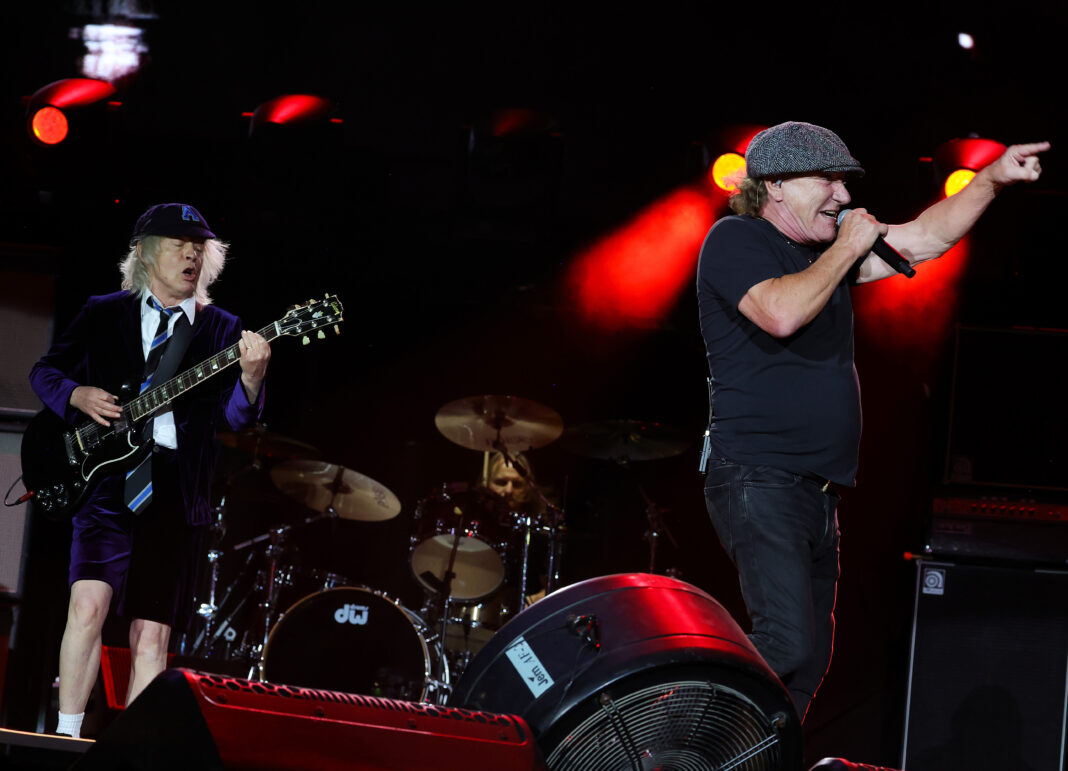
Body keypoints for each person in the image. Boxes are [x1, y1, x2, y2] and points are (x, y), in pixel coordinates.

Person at [697, 122, 1047, 720]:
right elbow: (779, 313)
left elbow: (924, 239)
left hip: (818, 489)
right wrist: (846, 248)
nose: (841, 194)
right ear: (775, 186)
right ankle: (666, 738)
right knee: (783, 642)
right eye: (827, 179)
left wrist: (990, 179)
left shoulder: (824, 257)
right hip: (759, 475)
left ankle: (742, 761)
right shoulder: (736, 239)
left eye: (844, 180)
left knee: (809, 664)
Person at [29, 203, 271, 737]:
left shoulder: (222, 328)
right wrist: (76, 393)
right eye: (178, 243)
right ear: (143, 252)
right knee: (87, 607)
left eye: (198, 247)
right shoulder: (103, 312)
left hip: (176, 492)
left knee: (152, 636)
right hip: (105, 484)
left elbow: (232, 417)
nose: (191, 254)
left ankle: (132, 754)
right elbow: (43, 372)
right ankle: (66, 738)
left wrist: (251, 380)